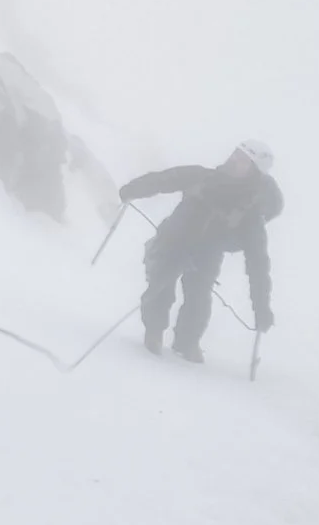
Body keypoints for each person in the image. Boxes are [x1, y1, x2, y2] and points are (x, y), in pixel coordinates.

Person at [120, 141, 281, 363]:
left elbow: (258, 264)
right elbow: (164, 179)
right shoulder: (202, 177)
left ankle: (187, 343)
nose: (234, 159)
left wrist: (261, 307)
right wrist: (132, 190)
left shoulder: (250, 215)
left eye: (243, 159)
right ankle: (154, 332)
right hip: (173, 239)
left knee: (198, 298)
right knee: (159, 286)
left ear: (254, 171)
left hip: (207, 253)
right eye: (235, 153)